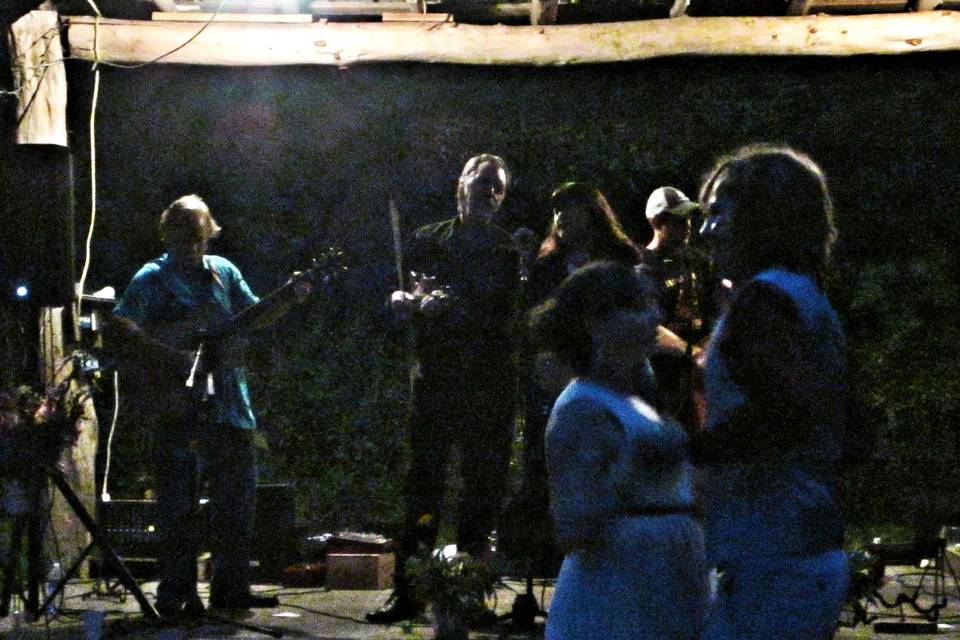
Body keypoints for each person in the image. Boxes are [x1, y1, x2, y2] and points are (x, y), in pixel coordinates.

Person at [110, 194, 309, 618]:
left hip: (230, 405)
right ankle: (177, 594)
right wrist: (173, 356)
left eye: (199, 236)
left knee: (237, 504)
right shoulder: (152, 278)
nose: (191, 244)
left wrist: (289, 296)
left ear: (209, 235)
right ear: (167, 233)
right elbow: (123, 325)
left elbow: (252, 315)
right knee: (177, 507)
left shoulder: (224, 273)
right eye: (182, 235)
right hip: (177, 408)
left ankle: (231, 588)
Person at [693, 144, 848, 639]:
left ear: (763, 217)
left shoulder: (765, 302)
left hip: (771, 555)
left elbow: (782, 416)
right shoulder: (804, 295)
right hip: (803, 541)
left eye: (718, 213)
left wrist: (675, 449)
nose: (705, 230)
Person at [367, 154, 521, 623]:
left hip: (486, 388)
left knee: (481, 491)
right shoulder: (426, 239)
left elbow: (504, 320)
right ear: (462, 184)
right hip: (434, 383)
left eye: (498, 188)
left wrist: (453, 308)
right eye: (483, 183)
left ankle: (471, 594)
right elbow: (404, 294)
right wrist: (402, 302)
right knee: (423, 488)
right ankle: (410, 591)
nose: (489, 194)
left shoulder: (504, 250)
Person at [530, 261, 707, 640]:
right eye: (639, 306)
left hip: (660, 582)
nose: (655, 316)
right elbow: (574, 523)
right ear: (596, 322)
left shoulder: (634, 399)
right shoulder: (583, 406)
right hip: (620, 593)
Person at [638, 186, 715, 429]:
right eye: (678, 220)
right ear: (657, 222)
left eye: (688, 219)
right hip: (663, 373)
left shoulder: (699, 261)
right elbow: (650, 325)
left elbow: (718, 306)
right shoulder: (642, 266)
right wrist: (692, 352)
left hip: (700, 371)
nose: (687, 226)